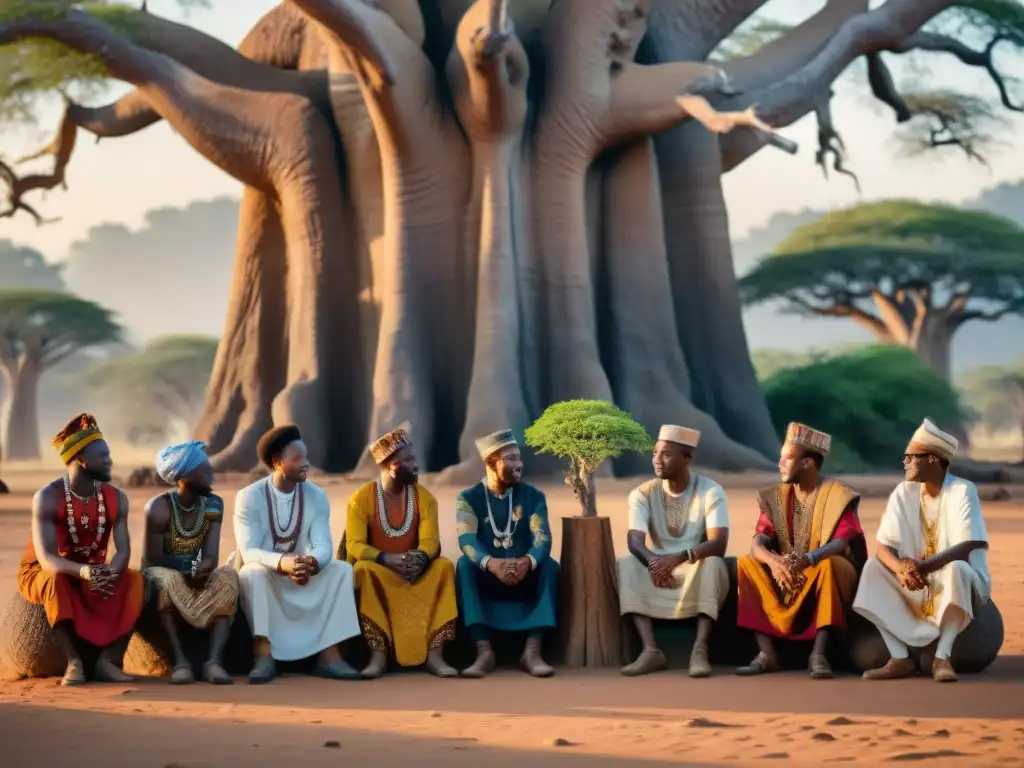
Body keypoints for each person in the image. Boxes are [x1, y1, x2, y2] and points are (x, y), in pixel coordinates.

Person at [853, 419, 990, 683]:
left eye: (911, 457)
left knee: (957, 570)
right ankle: (899, 657)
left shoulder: (962, 491)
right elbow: (883, 547)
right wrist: (900, 568)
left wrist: (921, 568)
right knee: (872, 568)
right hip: (913, 579)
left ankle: (942, 657)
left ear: (933, 460)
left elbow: (965, 546)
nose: (905, 462)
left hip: (953, 578)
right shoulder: (903, 492)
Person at [16, 414, 144, 686]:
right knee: (56, 581)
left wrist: (111, 572)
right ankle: (74, 662)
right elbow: (47, 558)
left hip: (95, 570)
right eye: (104, 456)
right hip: (49, 569)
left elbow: (123, 550)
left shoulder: (116, 497)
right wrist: (84, 571)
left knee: (135, 580)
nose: (110, 461)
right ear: (82, 459)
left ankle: (109, 660)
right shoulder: (48, 496)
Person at [231, 424, 361, 683]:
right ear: (278, 463)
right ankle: (263, 655)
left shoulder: (316, 495)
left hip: (304, 574)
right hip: (269, 575)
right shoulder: (249, 497)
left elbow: (323, 543)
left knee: (341, 570)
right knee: (251, 572)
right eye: (298, 459)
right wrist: (283, 563)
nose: (307, 464)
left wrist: (310, 562)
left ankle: (331, 657)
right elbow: (249, 550)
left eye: (306, 457)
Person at [735, 422, 866, 679]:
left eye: (787, 458)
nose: (780, 464)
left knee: (828, 566)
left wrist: (808, 559)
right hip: (786, 568)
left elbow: (841, 542)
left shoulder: (838, 495)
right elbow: (758, 541)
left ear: (807, 463)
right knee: (746, 563)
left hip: (825, 568)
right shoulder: (775, 496)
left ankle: (818, 654)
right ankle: (767, 654)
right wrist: (775, 563)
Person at [342, 429, 459, 679]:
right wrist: (386, 559)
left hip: (417, 571)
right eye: (407, 460)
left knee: (445, 567)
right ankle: (378, 655)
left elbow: (430, 541)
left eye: (414, 458)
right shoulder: (360, 499)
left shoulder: (425, 499)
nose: (416, 465)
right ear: (388, 465)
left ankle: (436, 655)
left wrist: (419, 558)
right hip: (380, 573)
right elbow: (355, 545)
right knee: (362, 568)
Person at [617, 425, 730, 678]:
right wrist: (654, 562)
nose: (657, 460)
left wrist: (677, 558)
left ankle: (700, 650)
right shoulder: (642, 494)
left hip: (693, 568)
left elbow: (718, 544)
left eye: (666, 454)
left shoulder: (710, 490)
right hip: (657, 570)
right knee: (626, 565)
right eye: (654, 453)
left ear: (687, 458)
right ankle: (650, 651)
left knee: (713, 564)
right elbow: (635, 541)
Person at [455, 429, 559, 678]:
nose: (519, 464)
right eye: (511, 458)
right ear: (491, 463)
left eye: (519, 458)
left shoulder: (533, 497)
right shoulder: (467, 498)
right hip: (488, 574)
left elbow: (542, 537)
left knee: (549, 566)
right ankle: (484, 651)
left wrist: (527, 561)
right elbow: (466, 539)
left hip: (525, 574)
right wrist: (492, 564)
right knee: (464, 565)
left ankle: (532, 651)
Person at [141, 441, 240, 685]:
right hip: (162, 574)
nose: (211, 474)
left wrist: (204, 568)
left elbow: (210, 556)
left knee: (228, 576)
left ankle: (213, 662)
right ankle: (181, 662)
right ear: (181, 476)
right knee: (169, 580)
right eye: (203, 470)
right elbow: (152, 560)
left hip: (195, 575)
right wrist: (184, 573)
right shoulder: (159, 508)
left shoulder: (214, 504)